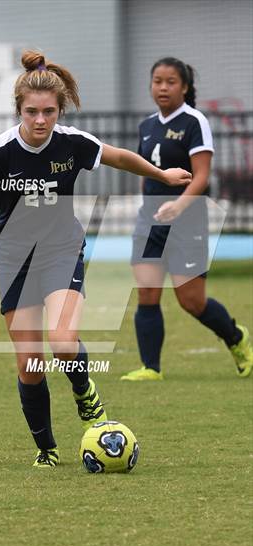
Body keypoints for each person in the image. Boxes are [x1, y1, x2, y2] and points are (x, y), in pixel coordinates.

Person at [0, 50, 192, 468]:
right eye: (31, 112)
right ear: (19, 111)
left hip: (61, 250)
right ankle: (46, 449)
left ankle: (85, 393)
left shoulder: (72, 143)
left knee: (64, 342)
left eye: (49, 111)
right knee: (30, 364)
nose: (40, 120)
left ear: (59, 110)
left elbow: (118, 156)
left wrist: (161, 176)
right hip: (14, 260)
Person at [120, 57, 253, 382]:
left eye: (171, 82)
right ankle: (151, 369)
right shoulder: (147, 125)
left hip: (187, 221)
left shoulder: (194, 122)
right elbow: (144, 172)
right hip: (150, 221)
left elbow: (202, 177)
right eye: (157, 81)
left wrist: (177, 207)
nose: (163, 87)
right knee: (147, 292)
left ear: (185, 86)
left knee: (191, 301)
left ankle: (237, 339)